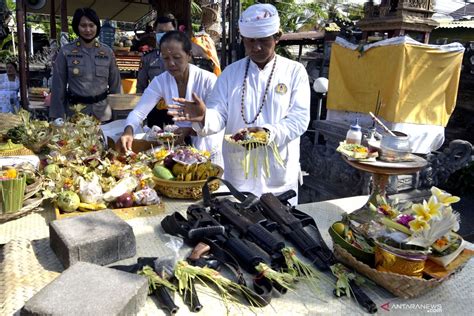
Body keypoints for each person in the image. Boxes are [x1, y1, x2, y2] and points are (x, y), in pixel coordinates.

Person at [169, 3, 310, 202]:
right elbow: (218, 114)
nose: (256, 47)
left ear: (277, 37)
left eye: (263, 40)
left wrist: (266, 133)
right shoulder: (230, 73)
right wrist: (204, 116)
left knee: (280, 229)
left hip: (279, 177)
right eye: (250, 41)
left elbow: (299, 119)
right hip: (239, 177)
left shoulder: (294, 71)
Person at [120, 31, 224, 167]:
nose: (171, 63)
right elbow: (139, 112)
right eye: (166, 58)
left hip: (208, 146)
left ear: (189, 55)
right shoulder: (161, 81)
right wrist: (128, 130)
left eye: (177, 57)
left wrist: (190, 129)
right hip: (180, 149)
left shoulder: (208, 80)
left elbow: (217, 120)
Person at [49, 8, 121, 122]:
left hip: (102, 113)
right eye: (83, 25)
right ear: (77, 27)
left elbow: (115, 86)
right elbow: (58, 87)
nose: (88, 30)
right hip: (76, 114)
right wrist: (57, 117)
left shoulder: (107, 52)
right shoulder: (66, 52)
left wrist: (117, 115)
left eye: (91, 25)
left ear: (97, 27)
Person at [136, 13, 177, 128]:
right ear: (155, 33)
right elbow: (141, 87)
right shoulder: (148, 58)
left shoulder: (185, 58)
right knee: (154, 143)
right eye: (160, 32)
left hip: (178, 110)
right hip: (154, 109)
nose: (164, 35)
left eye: (169, 32)